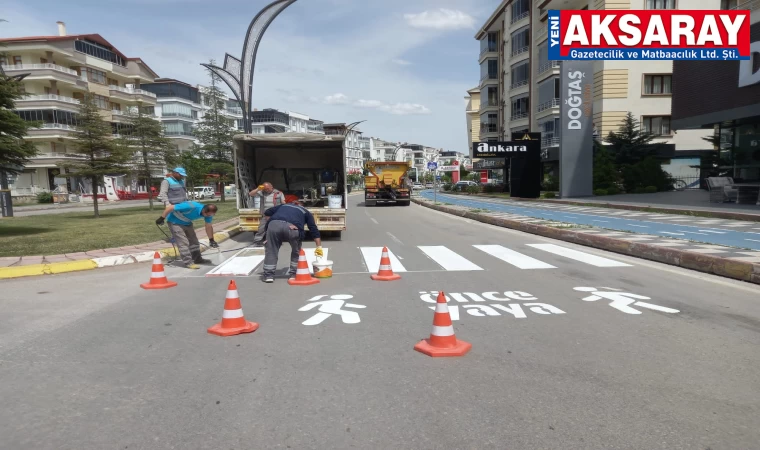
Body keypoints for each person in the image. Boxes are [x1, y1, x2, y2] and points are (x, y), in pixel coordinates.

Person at [261, 200, 323, 283]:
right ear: (303, 206)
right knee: (296, 251)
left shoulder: (283, 206)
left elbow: (267, 212)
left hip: (273, 225)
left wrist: (271, 222)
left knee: (272, 250)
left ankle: (268, 275)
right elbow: (313, 229)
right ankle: (294, 274)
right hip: (292, 228)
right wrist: (318, 246)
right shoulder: (306, 212)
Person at [156, 201, 219, 269]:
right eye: (208, 215)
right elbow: (170, 207)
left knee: (194, 242)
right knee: (183, 242)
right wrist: (162, 218)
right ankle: (188, 262)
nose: (209, 216)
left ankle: (197, 259)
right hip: (175, 222)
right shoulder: (192, 206)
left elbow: (208, 226)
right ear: (204, 210)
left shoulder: (208, 214)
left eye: (211, 215)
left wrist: (211, 240)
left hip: (187, 222)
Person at [248, 182, 286, 247]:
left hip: (275, 214)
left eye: (268, 189)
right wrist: (258, 189)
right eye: (265, 189)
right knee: (261, 229)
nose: (266, 190)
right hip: (265, 215)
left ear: (272, 187)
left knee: (276, 228)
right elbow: (250, 194)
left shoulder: (279, 193)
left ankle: (277, 241)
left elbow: (283, 202)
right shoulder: (262, 192)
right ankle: (257, 241)